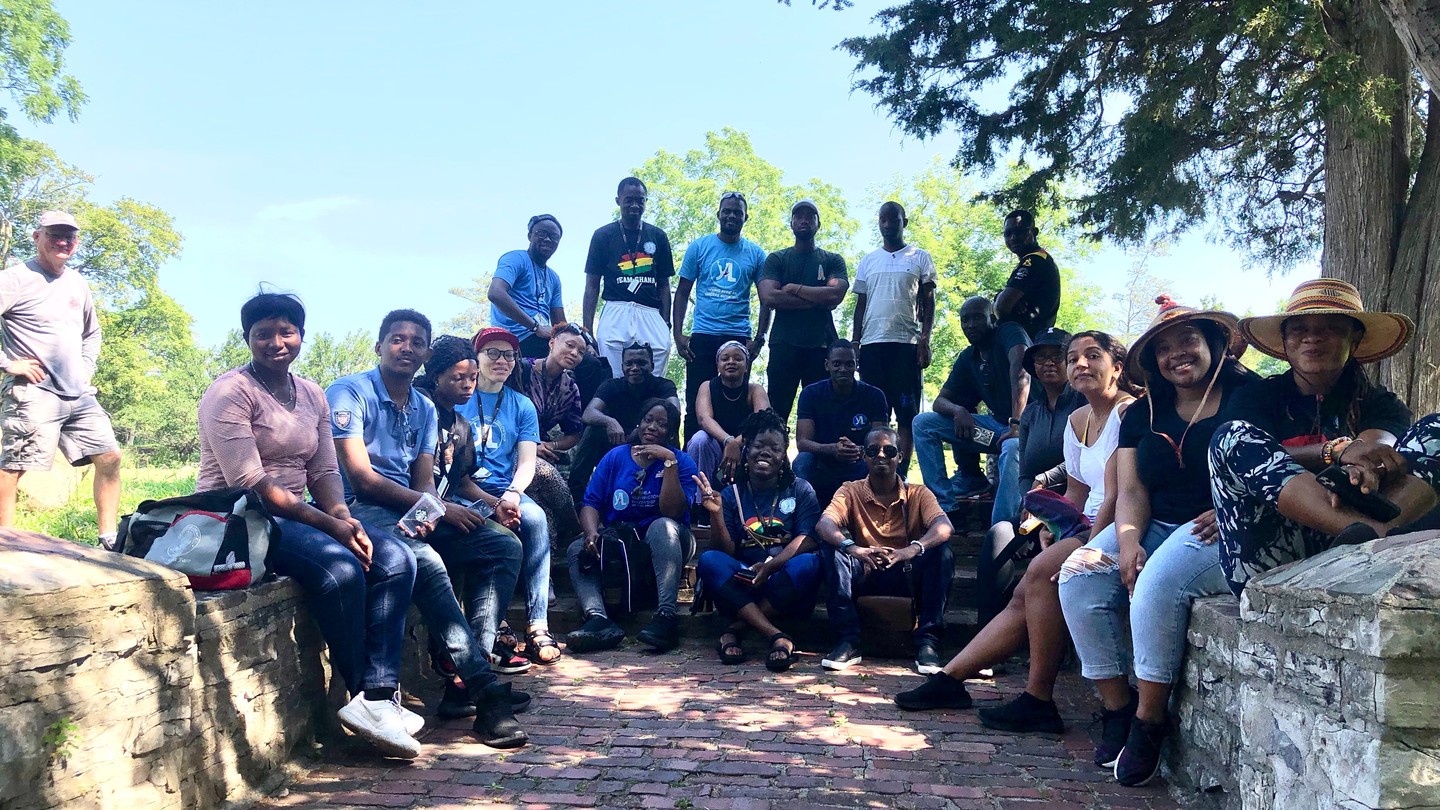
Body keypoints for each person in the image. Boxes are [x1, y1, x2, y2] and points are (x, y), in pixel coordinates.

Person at [197, 292, 422, 758]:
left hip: (297, 510)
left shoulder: (312, 394)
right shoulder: (230, 392)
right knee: (340, 569)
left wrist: (341, 514)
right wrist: (328, 525)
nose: (276, 342)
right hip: (239, 516)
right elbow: (249, 481)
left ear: (301, 335)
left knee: (397, 557)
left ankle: (379, 696)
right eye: (263, 334)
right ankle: (366, 694)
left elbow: (323, 470)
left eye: (287, 332)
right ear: (247, 338)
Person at [893, 331, 1137, 734]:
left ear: (1117, 367)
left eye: (1093, 356)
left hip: (1117, 526)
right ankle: (950, 680)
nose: (1080, 364)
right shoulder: (1077, 420)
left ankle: (1038, 698)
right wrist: (1054, 524)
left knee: (1037, 576)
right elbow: (1077, 492)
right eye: (1074, 358)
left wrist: (1081, 545)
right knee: (1024, 594)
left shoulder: (1128, 413)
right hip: (1084, 524)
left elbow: (1117, 494)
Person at [1056, 299, 1255, 786]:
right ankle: (1117, 708)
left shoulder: (1250, 395)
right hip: (1153, 521)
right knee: (1078, 574)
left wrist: (1234, 505)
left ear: (1213, 344)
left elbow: (1271, 465)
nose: (1177, 353)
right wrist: (1127, 542)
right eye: (1164, 348)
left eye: (1188, 340)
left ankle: (1149, 722)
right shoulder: (1143, 412)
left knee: (1155, 585)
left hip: (1218, 527)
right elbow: (1131, 489)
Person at [327, 309, 528, 749]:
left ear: (425, 353)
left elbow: (422, 484)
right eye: (397, 339)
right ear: (379, 346)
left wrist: (435, 514)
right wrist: (434, 511)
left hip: (408, 508)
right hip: (360, 509)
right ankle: (484, 688)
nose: (406, 347)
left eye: (417, 342)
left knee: (503, 546)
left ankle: (465, 675)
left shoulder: (423, 408)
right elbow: (361, 479)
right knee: (428, 562)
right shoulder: (349, 392)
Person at [1215, 278, 1440, 593]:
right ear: (1284, 341)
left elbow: (1376, 447)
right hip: (1275, 555)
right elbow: (1245, 457)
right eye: (1299, 329)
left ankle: (1373, 535)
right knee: (1230, 436)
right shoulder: (1255, 397)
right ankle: (1377, 535)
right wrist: (1332, 452)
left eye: (1330, 328)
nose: (1312, 338)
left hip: (1364, 540)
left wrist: (1363, 465)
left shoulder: (1379, 402)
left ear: (1354, 339)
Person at [0, 210, 122, 545]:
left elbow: (92, 333)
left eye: (69, 236)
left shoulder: (77, 282)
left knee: (110, 457)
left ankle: (109, 538)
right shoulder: (14, 279)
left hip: (78, 393)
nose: (63, 242)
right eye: (55, 234)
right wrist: (7, 363)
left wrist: (86, 369)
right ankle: (5, 545)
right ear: (37, 237)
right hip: (33, 391)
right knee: (14, 466)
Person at [414, 336, 531, 675]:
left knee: (506, 544)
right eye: (458, 378)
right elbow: (414, 481)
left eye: (471, 378)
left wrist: (497, 504)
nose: (467, 385)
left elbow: (462, 480)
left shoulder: (460, 426)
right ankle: (466, 666)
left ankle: (472, 660)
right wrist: (442, 510)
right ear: (436, 376)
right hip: (411, 511)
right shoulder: (419, 408)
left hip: (441, 509)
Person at [457, 327, 562, 666]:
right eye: (492, 353)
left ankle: (538, 624)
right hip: (462, 491)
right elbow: (453, 473)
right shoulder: (460, 396)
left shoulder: (521, 404)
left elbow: (527, 461)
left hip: (505, 489)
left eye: (509, 355)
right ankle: (498, 623)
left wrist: (513, 494)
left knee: (536, 518)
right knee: (491, 536)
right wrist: (494, 504)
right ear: (476, 358)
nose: (501, 360)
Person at [814, 426, 955, 673]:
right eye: (873, 450)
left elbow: (945, 527)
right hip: (865, 570)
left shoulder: (918, 493)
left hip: (905, 571)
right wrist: (854, 548)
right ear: (864, 456)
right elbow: (824, 524)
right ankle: (848, 641)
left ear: (900, 456)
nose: (881, 455)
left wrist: (912, 549)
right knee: (832, 550)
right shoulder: (850, 490)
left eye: (889, 451)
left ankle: (928, 642)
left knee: (942, 551)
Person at [566, 399, 699, 653]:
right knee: (575, 548)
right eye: (648, 420)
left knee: (662, 526)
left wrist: (669, 463)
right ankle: (598, 618)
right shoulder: (615, 457)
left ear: (671, 433)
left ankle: (666, 616)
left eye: (662, 424)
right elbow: (591, 502)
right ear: (639, 422)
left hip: (669, 539)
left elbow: (672, 511)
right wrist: (591, 532)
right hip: (623, 538)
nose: (653, 427)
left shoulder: (682, 461)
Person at [694, 409, 822, 671]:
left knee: (809, 563)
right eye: (758, 446)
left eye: (775, 448)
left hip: (783, 583)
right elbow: (725, 550)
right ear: (746, 451)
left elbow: (808, 539)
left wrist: (771, 566)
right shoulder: (730, 494)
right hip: (744, 582)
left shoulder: (800, 489)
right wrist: (716, 515)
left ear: (784, 456)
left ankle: (736, 630)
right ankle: (776, 636)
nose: (765, 452)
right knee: (709, 560)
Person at [974, 327, 1084, 628]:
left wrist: (1044, 483)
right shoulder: (1031, 414)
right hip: (1036, 511)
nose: (1048, 363)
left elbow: (1085, 461)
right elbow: (1024, 473)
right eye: (1040, 358)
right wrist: (1031, 505)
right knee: (999, 535)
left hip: (1079, 511)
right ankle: (987, 631)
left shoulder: (1083, 404)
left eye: (1056, 356)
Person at [912, 297, 1031, 524]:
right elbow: (940, 402)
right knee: (923, 423)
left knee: (1013, 445)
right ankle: (945, 508)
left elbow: (1021, 368)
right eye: (965, 320)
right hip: (994, 432)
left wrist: (1016, 424)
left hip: (1029, 429)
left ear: (992, 319)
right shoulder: (969, 358)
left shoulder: (1009, 333)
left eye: (977, 318)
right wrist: (958, 410)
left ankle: (1001, 528)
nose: (970, 325)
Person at [672, 191, 770, 440]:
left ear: (746, 217)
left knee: (738, 404)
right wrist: (678, 335)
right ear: (718, 214)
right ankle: (691, 459)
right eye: (727, 211)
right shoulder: (699, 247)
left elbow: (766, 299)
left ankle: (737, 453)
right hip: (703, 335)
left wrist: (759, 339)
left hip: (738, 336)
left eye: (737, 212)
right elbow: (682, 292)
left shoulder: (756, 254)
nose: (731, 216)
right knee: (695, 404)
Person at [852, 201, 936, 473]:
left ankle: (901, 471)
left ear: (904, 222)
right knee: (876, 412)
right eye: (883, 220)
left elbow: (929, 301)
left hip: (906, 346)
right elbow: (860, 305)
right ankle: (876, 470)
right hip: (872, 345)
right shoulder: (868, 260)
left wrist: (925, 339)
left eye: (894, 219)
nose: (888, 225)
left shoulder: (919, 257)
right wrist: (855, 342)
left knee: (907, 413)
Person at [757, 199, 849, 420]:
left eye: (810, 217)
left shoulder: (832, 260)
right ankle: (776, 444)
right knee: (776, 412)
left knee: (821, 413)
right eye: (799, 217)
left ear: (818, 224)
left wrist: (794, 289)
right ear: (791, 224)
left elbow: (835, 295)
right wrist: (818, 299)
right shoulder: (777, 259)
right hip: (783, 345)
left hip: (820, 347)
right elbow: (769, 296)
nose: (804, 221)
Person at [504, 322, 587, 547]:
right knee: (547, 476)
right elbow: (502, 412)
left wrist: (550, 446)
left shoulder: (570, 388)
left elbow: (575, 433)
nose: (574, 353)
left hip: (538, 451)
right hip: (508, 446)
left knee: (540, 504)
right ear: (551, 343)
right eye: (569, 345)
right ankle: (575, 526)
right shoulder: (520, 371)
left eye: (581, 352)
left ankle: (550, 552)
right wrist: (531, 446)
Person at [583, 177, 675, 375]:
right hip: (616, 308)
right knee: (611, 365)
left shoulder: (658, 235)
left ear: (646, 202)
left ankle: (653, 397)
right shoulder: (603, 235)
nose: (635, 205)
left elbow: (664, 284)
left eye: (640, 200)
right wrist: (587, 330)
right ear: (618, 201)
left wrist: (665, 322)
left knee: (660, 351)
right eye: (629, 200)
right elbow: (592, 285)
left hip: (650, 310)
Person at [568, 342, 680, 504]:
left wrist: (640, 430)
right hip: (617, 443)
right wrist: (610, 422)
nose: (635, 368)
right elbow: (589, 413)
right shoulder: (611, 385)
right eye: (629, 363)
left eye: (641, 363)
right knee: (592, 431)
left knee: (670, 432)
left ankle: (676, 486)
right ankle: (575, 497)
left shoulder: (664, 385)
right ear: (622, 367)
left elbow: (674, 412)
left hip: (651, 442)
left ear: (652, 365)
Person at [794, 340, 889, 508]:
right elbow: (802, 443)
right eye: (837, 364)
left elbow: (881, 443)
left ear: (856, 365)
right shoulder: (811, 394)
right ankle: (806, 515)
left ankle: (877, 512)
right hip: (823, 464)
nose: (843, 369)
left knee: (882, 461)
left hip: (859, 463)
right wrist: (832, 449)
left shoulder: (874, 395)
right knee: (802, 461)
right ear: (827, 365)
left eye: (849, 364)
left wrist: (857, 450)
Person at [683, 341, 769, 486]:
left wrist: (736, 444)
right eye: (725, 359)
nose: (731, 362)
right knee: (699, 439)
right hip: (714, 448)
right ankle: (699, 496)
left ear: (746, 366)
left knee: (761, 441)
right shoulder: (707, 386)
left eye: (738, 358)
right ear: (718, 366)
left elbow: (763, 421)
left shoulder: (755, 390)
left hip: (745, 447)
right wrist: (729, 441)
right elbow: (704, 419)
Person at [488, 215, 567, 359]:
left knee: (589, 359)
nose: (548, 239)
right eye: (542, 233)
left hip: (541, 339)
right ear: (530, 236)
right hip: (515, 338)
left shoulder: (554, 278)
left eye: (554, 237)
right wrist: (535, 327)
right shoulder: (516, 258)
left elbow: (560, 323)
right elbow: (495, 293)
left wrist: (580, 341)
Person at [994, 210, 1061, 339]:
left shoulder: (1035, 260)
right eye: (1008, 234)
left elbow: (1001, 307)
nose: (1013, 237)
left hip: (1025, 340)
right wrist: (1002, 297)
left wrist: (1001, 301)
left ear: (1034, 232)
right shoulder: (1034, 259)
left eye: (1019, 231)